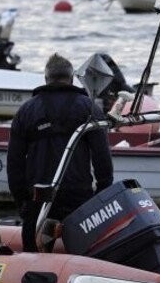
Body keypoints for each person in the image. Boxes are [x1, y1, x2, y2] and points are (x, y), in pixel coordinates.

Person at [7, 53, 114, 252]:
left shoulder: (26, 111)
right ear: (71, 78)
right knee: (84, 255)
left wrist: (22, 203)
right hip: (78, 196)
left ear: (46, 78)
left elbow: (14, 163)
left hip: (38, 197)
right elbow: (102, 159)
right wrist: (100, 196)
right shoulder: (89, 108)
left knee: (33, 254)